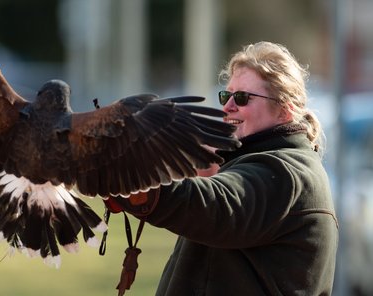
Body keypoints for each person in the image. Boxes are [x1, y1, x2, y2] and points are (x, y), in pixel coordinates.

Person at [105, 41, 338, 295]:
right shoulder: (256, 162)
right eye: (226, 95)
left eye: (242, 98)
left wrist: (128, 177)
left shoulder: (289, 173)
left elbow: (215, 204)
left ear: (284, 109)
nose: (227, 106)